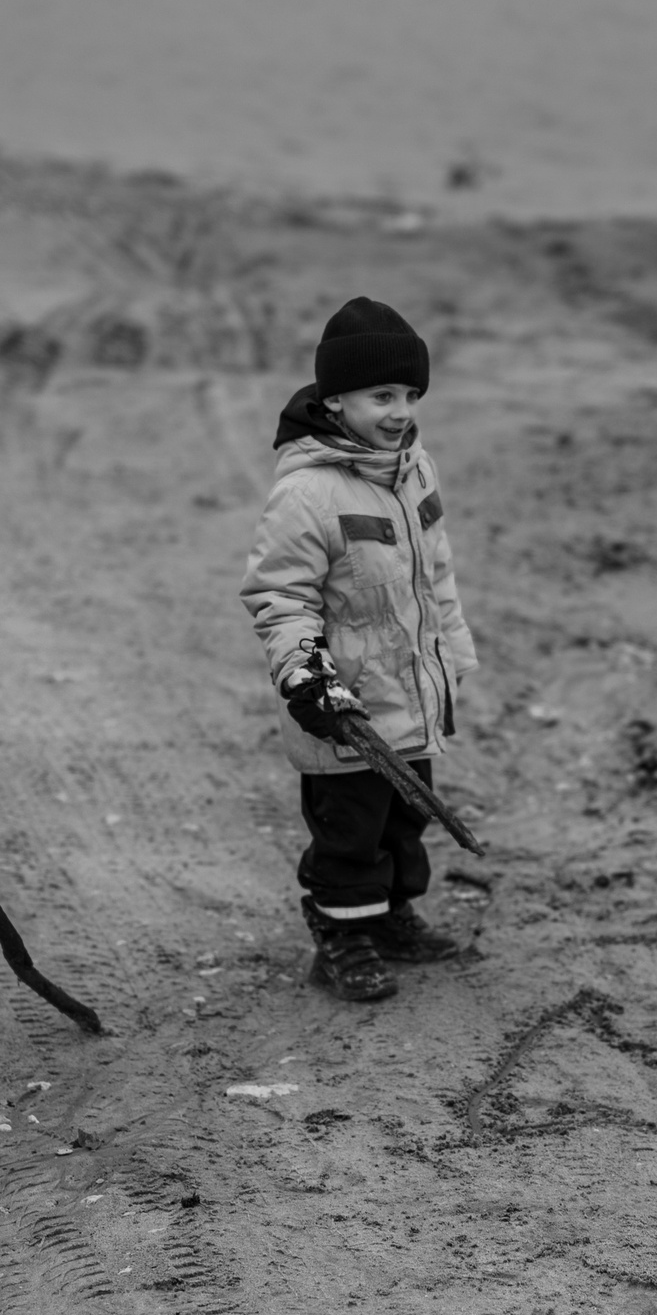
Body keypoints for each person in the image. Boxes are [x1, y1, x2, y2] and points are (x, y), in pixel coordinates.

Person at [242, 298, 479, 1000]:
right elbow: (281, 598)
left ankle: (393, 915)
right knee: (350, 831)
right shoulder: (306, 494)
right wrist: (307, 677)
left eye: (410, 394)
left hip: (413, 693)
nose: (400, 410)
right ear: (335, 400)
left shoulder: (414, 469)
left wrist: (453, 656)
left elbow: (436, 574)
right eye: (382, 396)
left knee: (406, 817)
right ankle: (342, 936)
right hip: (345, 710)